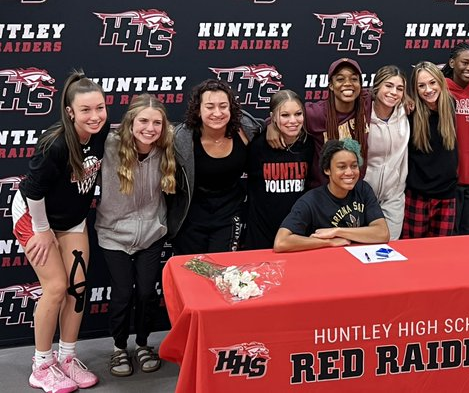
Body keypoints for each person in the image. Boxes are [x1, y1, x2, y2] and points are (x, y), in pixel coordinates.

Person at [11, 71, 108, 392]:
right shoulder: (55, 143)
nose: (94, 117)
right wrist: (41, 230)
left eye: (100, 108)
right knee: (55, 287)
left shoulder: (101, 132)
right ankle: (41, 364)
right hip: (34, 215)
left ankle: (67, 357)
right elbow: (33, 189)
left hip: (72, 218)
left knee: (77, 288)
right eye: (85, 110)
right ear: (70, 112)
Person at [95, 94, 175, 376]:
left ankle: (142, 344)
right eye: (143, 121)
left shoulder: (168, 148)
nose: (149, 128)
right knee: (121, 293)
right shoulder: (109, 145)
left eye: (157, 122)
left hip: (152, 233)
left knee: (145, 292)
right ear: (130, 122)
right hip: (114, 233)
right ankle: (119, 349)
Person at [167, 78, 263, 254]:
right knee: (192, 271)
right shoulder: (181, 139)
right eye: (210, 107)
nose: (217, 113)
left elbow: (269, 130)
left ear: (231, 109)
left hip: (229, 212)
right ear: (198, 110)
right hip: (192, 214)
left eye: (223, 106)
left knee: (222, 271)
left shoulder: (246, 130)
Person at [268, 58, 371, 188]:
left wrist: (405, 99)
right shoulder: (316, 113)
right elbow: (287, 116)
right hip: (323, 191)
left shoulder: (367, 103)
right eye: (340, 79)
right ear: (331, 85)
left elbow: (387, 92)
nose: (348, 83)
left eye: (354, 79)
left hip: (354, 189)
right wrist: (272, 126)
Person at [273, 139, 389, 252]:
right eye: (342, 167)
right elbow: (281, 242)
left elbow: (382, 234)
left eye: (354, 166)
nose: (349, 172)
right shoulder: (311, 201)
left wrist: (337, 231)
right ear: (327, 170)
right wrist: (328, 242)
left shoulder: (363, 189)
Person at [242, 90, 314, 249]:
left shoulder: (310, 145)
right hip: (260, 233)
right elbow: (237, 116)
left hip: (297, 232)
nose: (293, 121)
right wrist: (268, 126)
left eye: (298, 114)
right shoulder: (257, 144)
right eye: (285, 115)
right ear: (273, 116)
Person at [402, 61, 458, 238]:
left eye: (432, 83)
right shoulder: (410, 113)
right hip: (418, 194)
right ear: (415, 89)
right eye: (421, 85)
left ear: (441, 82)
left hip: (447, 193)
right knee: (414, 252)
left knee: (441, 254)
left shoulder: (450, 105)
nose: (428, 89)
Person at [443, 43, 469, 235]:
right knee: (449, 238)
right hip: (452, 180)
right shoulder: (441, 89)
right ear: (452, 63)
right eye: (465, 62)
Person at [364, 65, 410, 240]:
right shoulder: (362, 114)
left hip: (393, 198)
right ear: (377, 87)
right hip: (362, 198)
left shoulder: (407, 113)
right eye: (388, 86)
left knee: (388, 249)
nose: (393, 92)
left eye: (399, 88)